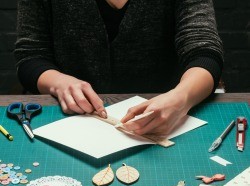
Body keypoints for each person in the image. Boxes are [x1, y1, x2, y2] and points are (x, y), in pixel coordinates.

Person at [15, 0, 223, 136]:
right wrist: (59, 83)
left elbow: (204, 51)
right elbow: (31, 55)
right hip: (71, 120)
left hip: (167, 118)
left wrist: (182, 98)